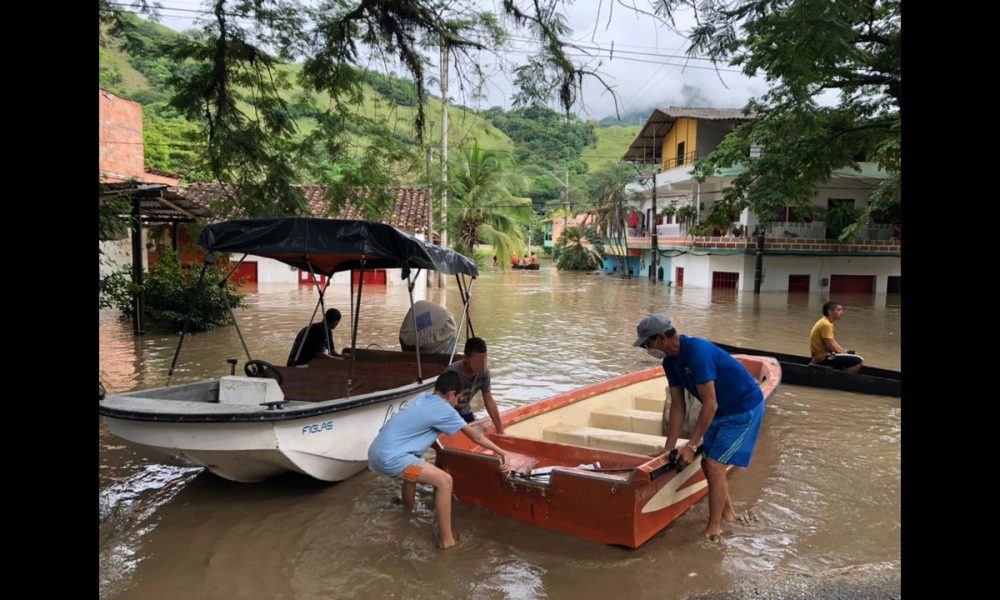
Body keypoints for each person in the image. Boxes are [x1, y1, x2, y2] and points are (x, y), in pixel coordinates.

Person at [633, 314, 766, 541]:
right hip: (720, 409)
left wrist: (692, 445)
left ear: (662, 337)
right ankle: (728, 514)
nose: (647, 349)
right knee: (708, 463)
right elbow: (678, 405)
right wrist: (669, 448)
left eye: (648, 344)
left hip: (743, 408)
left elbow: (710, 403)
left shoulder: (697, 352)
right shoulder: (669, 362)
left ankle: (714, 528)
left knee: (714, 464)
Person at [367, 370, 511, 549]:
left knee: (412, 472)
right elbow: (476, 436)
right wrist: (502, 452)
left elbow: (421, 432)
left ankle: (407, 511)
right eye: (458, 398)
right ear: (451, 395)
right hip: (392, 458)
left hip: (376, 452)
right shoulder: (444, 409)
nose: (457, 404)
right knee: (445, 481)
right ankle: (447, 541)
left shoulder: (422, 398)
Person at [445, 337, 505, 433]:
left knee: (479, 434)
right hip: (448, 415)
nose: (482, 365)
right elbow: (443, 403)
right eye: (477, 361)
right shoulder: (452, 373)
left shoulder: (484, 373)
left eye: (485, 359)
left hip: (465, 413)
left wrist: (500, 430)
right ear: (465, 358)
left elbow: (489, 400)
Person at [809, 301, 863, 373]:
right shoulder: (826, 324)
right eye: (838, 310)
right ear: (830, 312)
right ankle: (843, 378)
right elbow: (830, 345)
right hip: (822, 357)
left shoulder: (827, 322)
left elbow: (833, 342)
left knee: (853, 353)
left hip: (825, 355)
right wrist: (843, 353)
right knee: (859, 360)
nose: (841, 312)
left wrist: (844, 352)